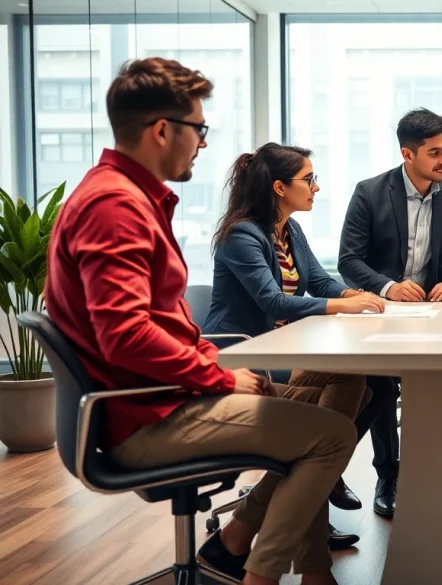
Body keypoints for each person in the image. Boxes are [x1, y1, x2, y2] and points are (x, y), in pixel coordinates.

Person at [45, 57, 353, 585]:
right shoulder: (115, 206)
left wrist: (215, 366)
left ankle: (268, 556)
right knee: (330, 436)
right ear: (163, 130)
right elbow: (126, 337)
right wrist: (219, 377)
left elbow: (163, 328)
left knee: (335, 395)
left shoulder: (127, 197)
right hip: (145, 416)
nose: (203, 144)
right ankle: (258, 574)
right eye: (199, 129)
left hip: (164, 396)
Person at [206, 143, 389, 549]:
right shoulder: (242, 235)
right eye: (308, 179)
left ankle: (322, 470)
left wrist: (360, 297)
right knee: (349, 386)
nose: (316, 187)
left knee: (376, 381)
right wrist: (344, 305)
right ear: (279, 187)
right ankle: (321, 473)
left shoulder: (290, 230)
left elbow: (320, 282)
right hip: (247, 356)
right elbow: (272, 301)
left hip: (281, 349)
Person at [337, 107, 442, 518]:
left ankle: (438, 470)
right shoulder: (370, 192)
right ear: (407, 154)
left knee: (439, 381)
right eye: (435, 152)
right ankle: (388, 474)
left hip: (432, 312)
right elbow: (348, 260)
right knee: (382, 382)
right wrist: (389, 286)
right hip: (381, 309)